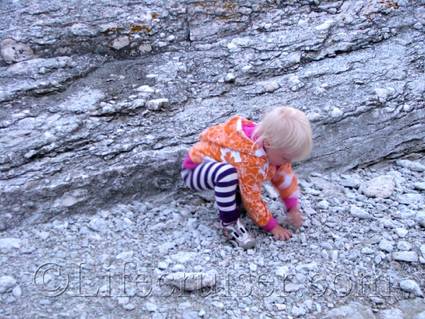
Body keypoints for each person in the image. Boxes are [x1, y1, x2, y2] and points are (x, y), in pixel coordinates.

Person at [181, 106, 313, 249]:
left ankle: (235, 202)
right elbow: (252, 198)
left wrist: (292, 207)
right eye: (286, 157)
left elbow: (285, 178)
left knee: (240, 175)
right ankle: (229, 224)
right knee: (228, 174)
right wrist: (272, 226)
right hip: (195, 168)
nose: (288, 162)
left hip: (219, 167)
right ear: (269, 144)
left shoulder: (272, 144)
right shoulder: (251, 158)